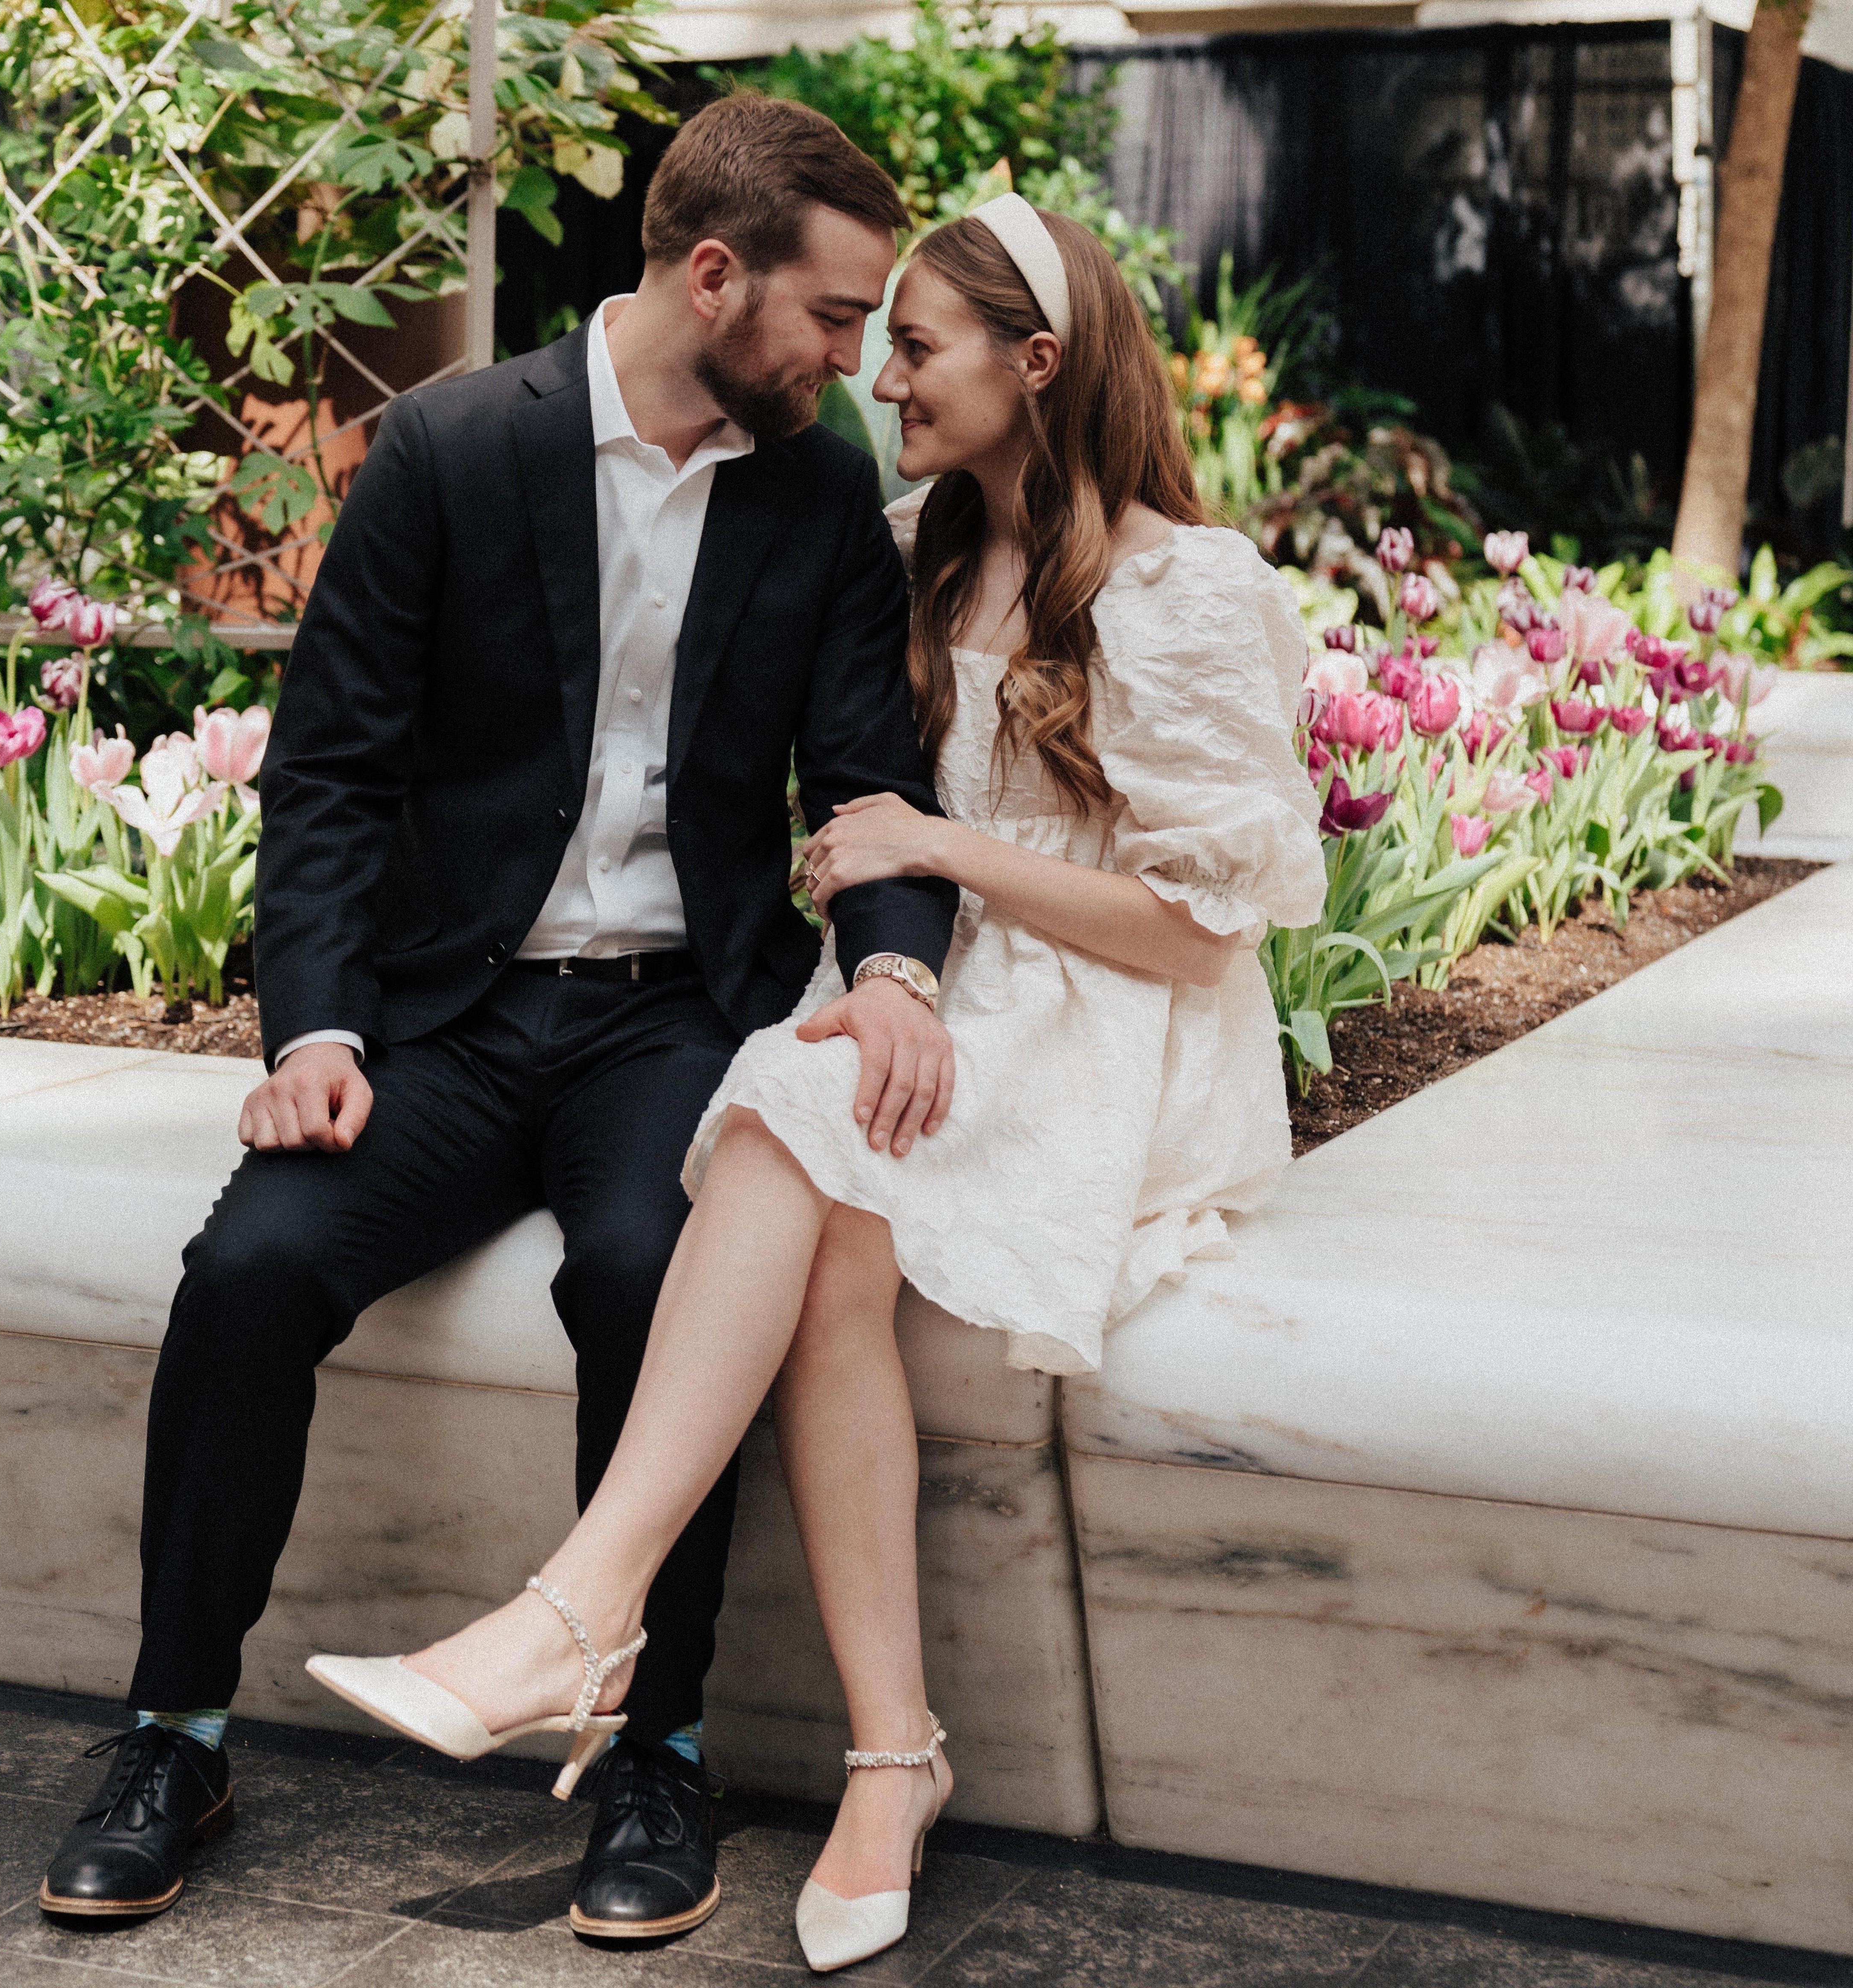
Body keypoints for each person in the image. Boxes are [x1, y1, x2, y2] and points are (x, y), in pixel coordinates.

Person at [310, 193, 1330, 1973]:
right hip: (934, 989)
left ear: (1036, 365)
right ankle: (891, 1756)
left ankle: (579, 1609)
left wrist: (944, 847)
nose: (874, 372)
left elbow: (1194, 936)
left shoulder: (1187, 588)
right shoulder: (911, 543)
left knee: (791, 1109)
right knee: (827, 1199)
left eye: (915, 344)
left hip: (1107, 1023)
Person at [36, 93, 962, 1939]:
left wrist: (891, 965)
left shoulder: (817, 478)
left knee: (647, 1278)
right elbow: (332, 777)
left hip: (669, 1021)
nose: (856, 357)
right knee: (248, 1273)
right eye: (835, 315)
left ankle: (659, 1752)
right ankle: (176, 1727)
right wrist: (313, 1031)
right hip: (439, 1020)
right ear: (715, 277)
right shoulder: (453, 448)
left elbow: (866, 769)